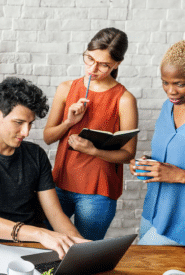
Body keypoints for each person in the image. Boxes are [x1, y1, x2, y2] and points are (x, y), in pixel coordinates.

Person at [0, 77, 87, 259]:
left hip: (30, 250)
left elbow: (55, 214)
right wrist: (40, 234)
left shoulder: (36, 155)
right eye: (19, 122)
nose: (26, 132)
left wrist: (80, 247)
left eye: (30, 124)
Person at [43, 28, 138, 240]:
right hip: (59, 184)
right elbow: (48, 137)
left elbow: (128, 154)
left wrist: (93, 150)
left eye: (103, 65)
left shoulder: (124, 99)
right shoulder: (66, 88)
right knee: (47, 248)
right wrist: (69, 121)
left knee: (84, 254)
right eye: (89, 58)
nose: (93, 68)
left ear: (117, 64)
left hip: (97, 193)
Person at [130, 40, 185, 248]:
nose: (170, 91)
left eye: (180, 84)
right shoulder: (167, 107)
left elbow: (181, 168)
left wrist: (180, 175)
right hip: (153, 212)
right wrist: (147, 164)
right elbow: (173, 154)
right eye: (165, 82)